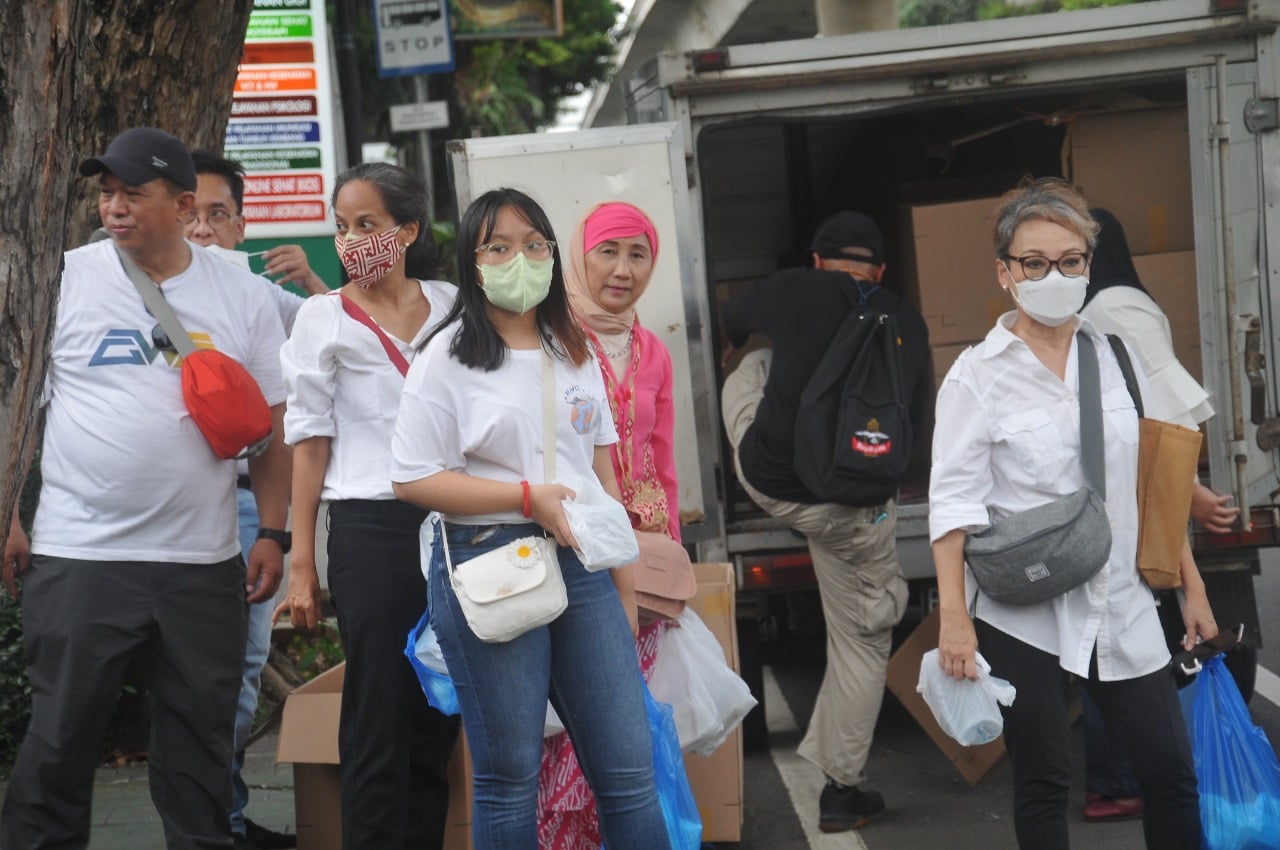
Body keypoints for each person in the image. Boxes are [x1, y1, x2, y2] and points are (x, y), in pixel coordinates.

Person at [0, 127, 291, 849]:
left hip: (201, 562)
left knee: (200, 751)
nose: (114, 207)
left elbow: (277, 427)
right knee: (61, 742)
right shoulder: (64, 277)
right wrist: (7, 513)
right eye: (105, 193)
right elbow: (17, 406)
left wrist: (274, 532)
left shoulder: (243, 294)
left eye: (133, 192)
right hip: (80, 556)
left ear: (184, 203)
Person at [928, 177, 1217, 850]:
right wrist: (954, 620)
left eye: (1070, 260)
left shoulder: (1116, 356)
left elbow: (1150, 484)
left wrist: (1192, 587)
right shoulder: (977, 375)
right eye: (1034, 262)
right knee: (1043, 781)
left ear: (1088, 265)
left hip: (1123, 599)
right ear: (1005, 272)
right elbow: (954, 503)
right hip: (1025, 611)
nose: (1053, 274)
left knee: (1170, 772)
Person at [388, 187, 671, 850]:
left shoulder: (574, 353)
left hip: (586, 568)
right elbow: (411, 479)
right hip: (490, 561)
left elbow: (603, 484)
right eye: (500, 246)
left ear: (551, 255)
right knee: (509, 776)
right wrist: (524, 499)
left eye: (534, 244)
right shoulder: (446, 358)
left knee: (630, 773)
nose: (521, 257)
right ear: (474, 261)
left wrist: (625, 594)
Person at [719, 211, 929, 832]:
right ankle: (842, 792)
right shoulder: (909, 322)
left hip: (776, 485)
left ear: (817, 261)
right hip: (858, 504)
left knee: (750, 371)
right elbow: (916, 421)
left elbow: (733, 322)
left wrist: (751, 347)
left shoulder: (791, 288)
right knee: (862, 644)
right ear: (882, 271)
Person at [272, 162, 460, 850]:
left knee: (440, 710)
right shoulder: (322, 319)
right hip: (369, 530)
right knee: (378, 715)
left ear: (408, 230)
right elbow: (308, 446)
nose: (351, 241)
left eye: (367, 225)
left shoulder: (453, 307)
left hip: (454, 526)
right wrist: (303, 562)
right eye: (342, 227)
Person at [1073, 206, 1238, 823]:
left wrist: (1184, 483)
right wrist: (1187, 486)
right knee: (1125, 638)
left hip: (1130, 494)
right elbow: (1160, 403)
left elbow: (1152, 401)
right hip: (1137, 497)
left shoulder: (1104, 308)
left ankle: (1118, 778)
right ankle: (1121, 777)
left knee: (1112, 637)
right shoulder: (1120, 303)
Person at [186, 149, 327, 850]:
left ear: (241, 228)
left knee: (237, 672)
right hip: (165, 516)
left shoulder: (257, 295)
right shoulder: (126, 290)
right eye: (193, 214)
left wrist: (313, 281)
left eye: (220, 215)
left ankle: (227, 821)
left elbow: (350, 342)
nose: (204, 230)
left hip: (247, 509)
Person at [535, 201, 679, 846]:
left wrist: (671, 552)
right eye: (608, 252)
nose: (623, 270)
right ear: (580, 256)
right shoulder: (553, 338)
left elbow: (663, 456)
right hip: (572, 548)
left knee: (628, 724)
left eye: (638, 254)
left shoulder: (652, 350)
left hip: (640, 552)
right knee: (574, 718)